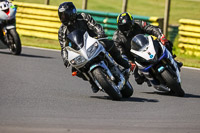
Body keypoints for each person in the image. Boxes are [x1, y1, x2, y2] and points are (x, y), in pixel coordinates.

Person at [58, 2, 134, 93]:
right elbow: (63, 47)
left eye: (65, 15)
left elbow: (95, 26)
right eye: (61, 15)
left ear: (72, 12)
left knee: (108, 44)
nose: (63, 18)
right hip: (80, 51)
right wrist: (65, 59)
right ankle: (92, 81)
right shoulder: (62, 30)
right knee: (75, 70)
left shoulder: (83, 17)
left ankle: (123, 63)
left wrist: (100, 33)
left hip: (94, 42)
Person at [113, 12, 182, 85]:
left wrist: (160, 36)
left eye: (127, 25)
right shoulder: (117, 37)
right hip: (134, 57)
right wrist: (128, 62)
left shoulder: (139, 24)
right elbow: (120, 53)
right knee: (138, 79)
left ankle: (173, 60)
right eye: (122, 27)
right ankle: (149, 78)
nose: (125, 29)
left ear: (132, 23)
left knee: (166, 43)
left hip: (147, 46)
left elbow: (151, 28)